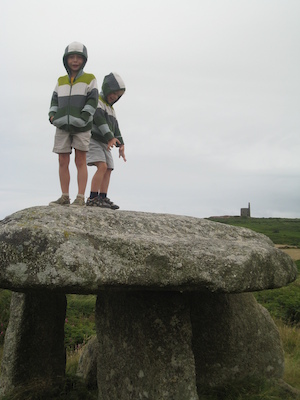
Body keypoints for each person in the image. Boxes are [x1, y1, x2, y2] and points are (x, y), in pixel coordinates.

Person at [48, 41, 98, 206]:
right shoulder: (60, 80)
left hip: (82, 127)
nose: (75, 61)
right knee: (63, 160)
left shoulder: (90, 79)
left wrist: (84, 117)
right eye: (72, 57)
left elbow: (92, 100)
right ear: (66, 60)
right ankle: (64, 196)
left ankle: (80, 197)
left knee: (80, 160)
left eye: (78, 57)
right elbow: (54, 100)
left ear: (84, 60)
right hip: (62, 126)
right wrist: (52, 116)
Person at [86, 72, 126, 209]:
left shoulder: (111, 109)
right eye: (114, 93)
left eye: (118, 95)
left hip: (105, 142)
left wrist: (121, 144)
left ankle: (103, 197)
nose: (115, 97)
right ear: (108, 88)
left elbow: (115, 127)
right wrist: (110, 138)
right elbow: (100, 121)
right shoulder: (98, 101)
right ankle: (92, 198)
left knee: (108, 168)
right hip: (94, 139)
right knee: (102, 166)